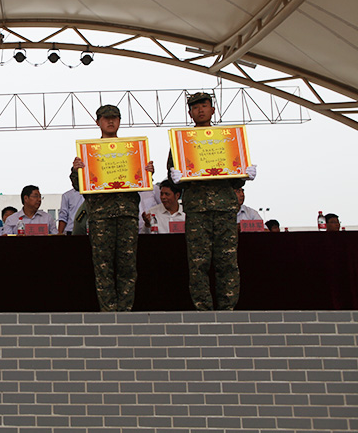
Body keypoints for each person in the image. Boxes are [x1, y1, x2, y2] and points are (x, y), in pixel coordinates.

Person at [169, 92, 257, 310]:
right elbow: (173, 176)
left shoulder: (229, 139)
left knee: (227, 261)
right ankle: (204, 310)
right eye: (195, 107)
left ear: (212, 109)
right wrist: (175, 178)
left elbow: (236, 178)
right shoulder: (181, 142)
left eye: (204, 106)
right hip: (197, 209)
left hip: (225, 207)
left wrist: (245, 174)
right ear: (190, 113)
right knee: (198, 262)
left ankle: (228, 309)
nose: (200, 110)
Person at [71, 104, 154, 312]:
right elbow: (79, 185)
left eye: (114, 118)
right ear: (97, 122)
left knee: (127, 266)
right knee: (103, 267)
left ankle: (125, 312)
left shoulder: (133, 150)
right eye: (106, 118)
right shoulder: (88, 153)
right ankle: (109, 313)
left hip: (127, 214)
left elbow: (141, 180)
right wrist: (76, 170)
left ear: (119, 121)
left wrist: (147, 171)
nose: (110, 121)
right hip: (101, 217)